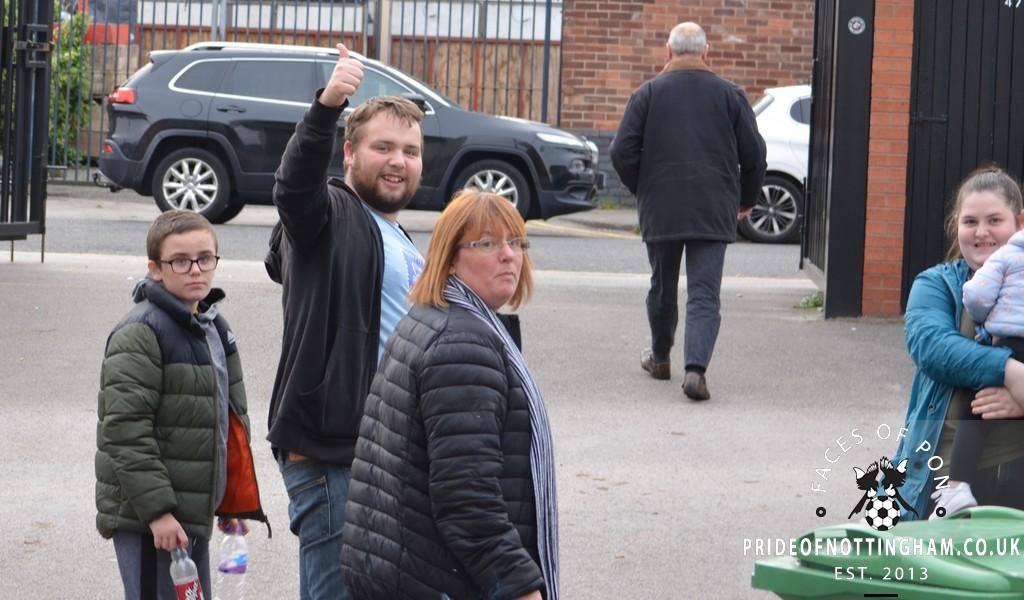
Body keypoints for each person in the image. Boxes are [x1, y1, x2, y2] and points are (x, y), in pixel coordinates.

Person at [264, 43, 425, 600]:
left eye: (410, 150)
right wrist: (328, 106)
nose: (398, 161)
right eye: (384, 147)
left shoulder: (399, 237)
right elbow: (293, 187)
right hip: (334, 454)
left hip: (389, 451)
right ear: (350, 153)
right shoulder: (328, 216)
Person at [341, 190, 557, 600]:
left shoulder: (432, 319)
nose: (508, 255)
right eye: (487, 243)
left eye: (516, 242)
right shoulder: (462, 344)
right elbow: (467, 498)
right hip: (437, 581)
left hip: (404, 571)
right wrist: (520, 587)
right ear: (451, 258)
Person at [95, 210, 267, 599]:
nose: (196, 270)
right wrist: (157, 512)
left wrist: (230, 500)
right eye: (180, 261)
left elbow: (226, 421)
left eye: (205, 258)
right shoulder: (141, 332)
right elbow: (125, 431)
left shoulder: (212, 325)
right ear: (155, 268)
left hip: (191, 513)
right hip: (151, 520)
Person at [609, 21, 766, 401]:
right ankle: (695, 371)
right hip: (713, 207)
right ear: (706, 52)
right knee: (704, 293)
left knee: (662, 286)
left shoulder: (647, 94)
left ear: (668, 51)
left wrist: (642, 187)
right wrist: (746, 199)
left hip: (661, 206)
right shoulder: (731, 95)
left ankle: (660, 358)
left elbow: (621, 151)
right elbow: (755, 154)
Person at [893, 166, 1024, 520]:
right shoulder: (936, 284)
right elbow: (933, 348)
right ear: (956, 225)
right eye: (970, 222)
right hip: (944, 476)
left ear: (1019, 222)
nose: (981, 232)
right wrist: (1010, 373)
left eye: (994, 220)